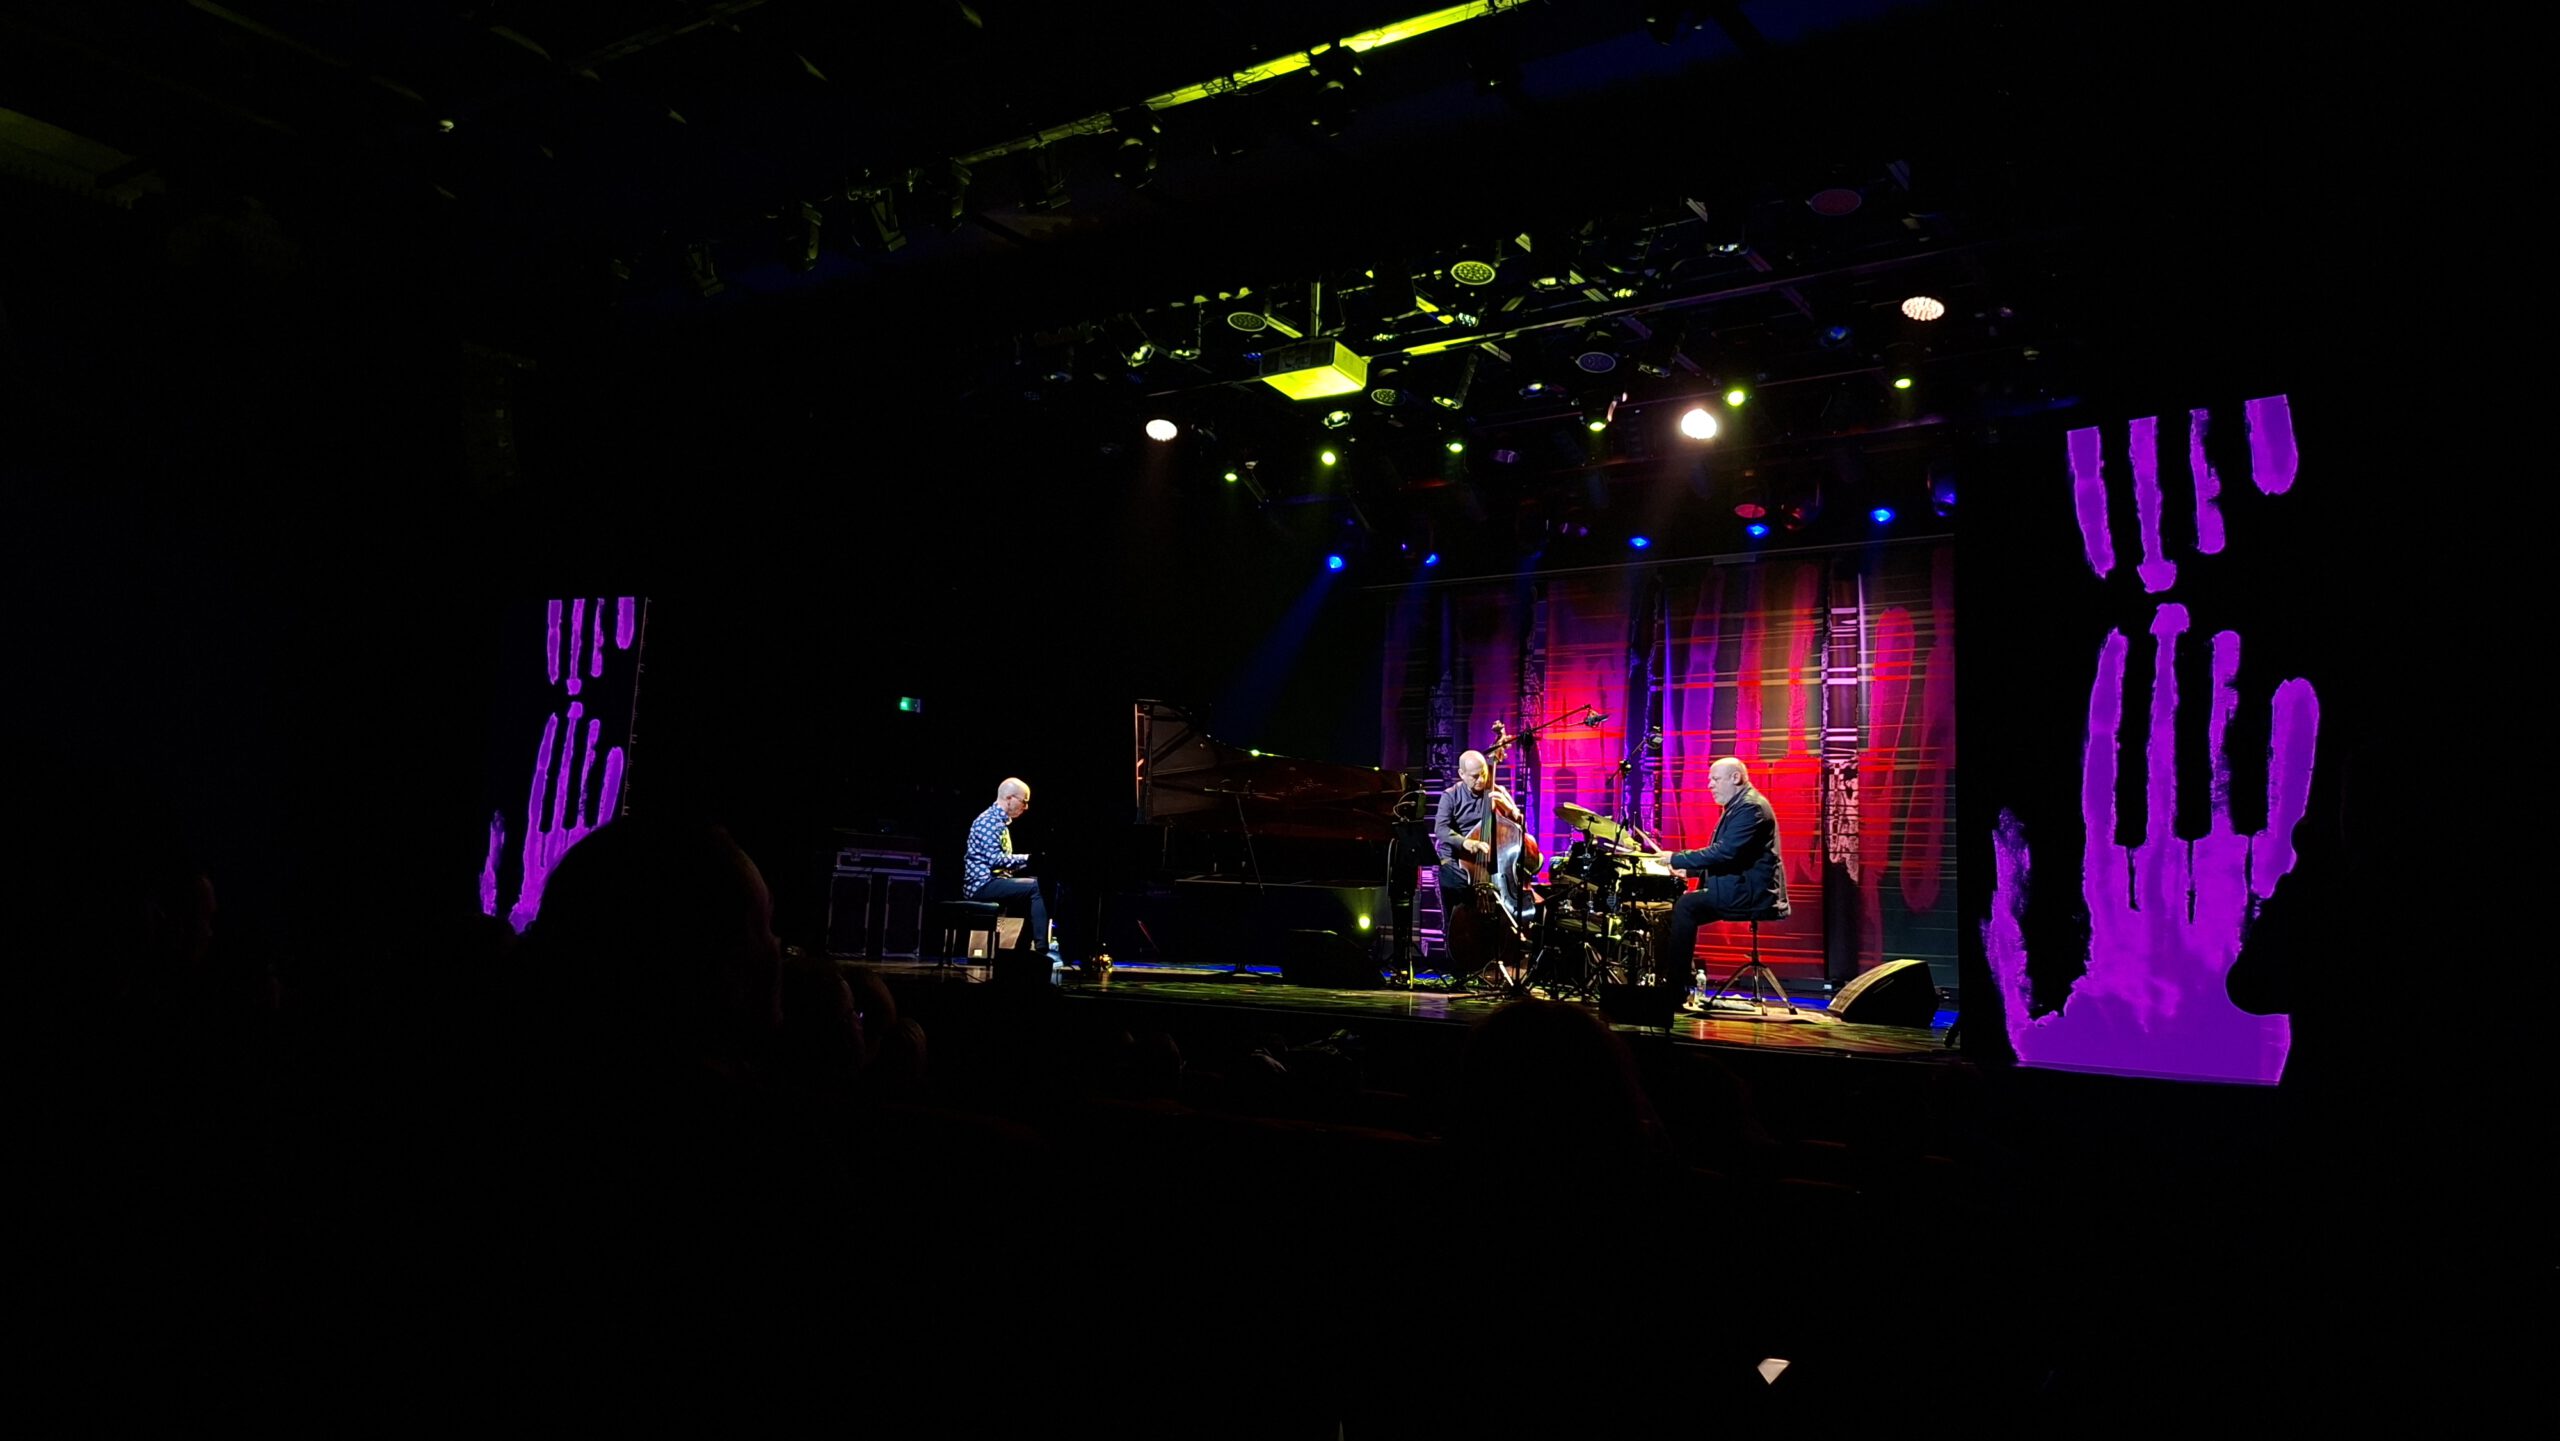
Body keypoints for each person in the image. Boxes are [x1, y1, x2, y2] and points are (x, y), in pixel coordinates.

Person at [1653, 756, 1788, 992]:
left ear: (1735, 777)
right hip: (1740, 887)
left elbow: (1725, 852)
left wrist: (1676, 858)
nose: (1710, 785)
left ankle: (1675, 987)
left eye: (1715, 779)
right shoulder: (1741, 805)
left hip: (1750, 893)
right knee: (1675, 911)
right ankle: (1676, 978)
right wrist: (1689, 869)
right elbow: (1735, 854)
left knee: (1686, 906)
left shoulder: (1751, 807)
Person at [964, 777, 1050, 961]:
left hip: (993, 882)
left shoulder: (998, 822)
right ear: (1009, 798)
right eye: (1024, 801)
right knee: (1038, 887)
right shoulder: (987, 821)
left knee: (1038, 888)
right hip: (982, 885)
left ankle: (1021, 952)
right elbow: (995, 860)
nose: (1026, 807)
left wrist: (1031, 863)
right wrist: (1028, 859)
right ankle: (1041, 950)